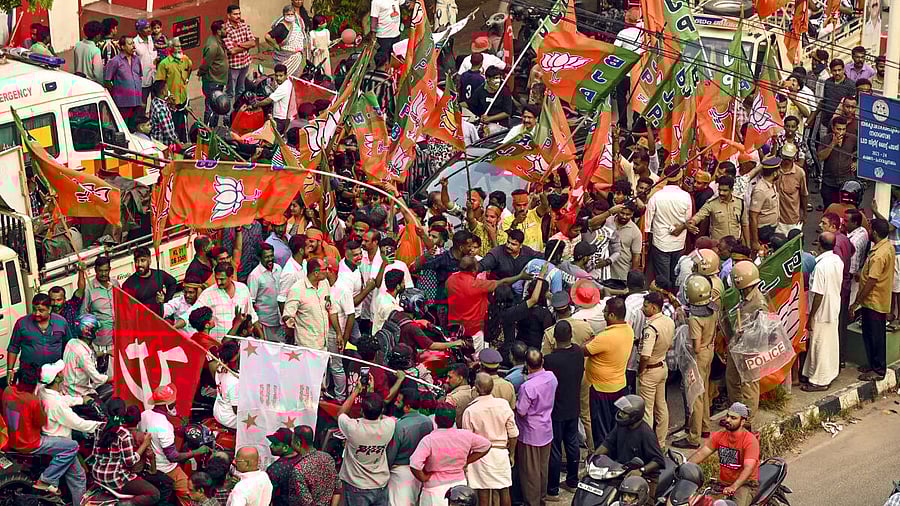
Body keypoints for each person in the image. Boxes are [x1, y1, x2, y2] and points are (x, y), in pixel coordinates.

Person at [2, 363, 82, 497]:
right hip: (30, 444)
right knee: (72, 446)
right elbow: (42, 423)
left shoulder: (7, 391)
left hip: (12, 440)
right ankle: (48, 479)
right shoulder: (32, 400)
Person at [37, 360, 101, 505]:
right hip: (62, 443)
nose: (62, 373)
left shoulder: (42, 390)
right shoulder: (56, 404)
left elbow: (61, 399)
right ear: (57, 378)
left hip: (49, 437)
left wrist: (80, 400)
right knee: (78, 478)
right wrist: (99, 425)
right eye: (60, 372)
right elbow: (77, 423)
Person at [140, 384, 211, 506]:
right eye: (173, 403)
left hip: (149, 464)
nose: (175, 405)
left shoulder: (144, 415)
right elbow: (173, 457)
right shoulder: (164, 426)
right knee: (190, 494)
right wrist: (197, 451)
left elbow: (155, 432)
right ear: (166, 405)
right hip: (167, 469)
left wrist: (178, 429)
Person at [410, 402, 491, 506]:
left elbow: (414, 464)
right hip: (460, 488)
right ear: (454, 419)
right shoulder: (465, 435)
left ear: (435, 419)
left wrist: (423, 477)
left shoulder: (429, 440)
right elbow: (486, 445)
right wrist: (467, 461)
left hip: (434, 490)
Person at [448, 256, 531, 350]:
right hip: (473, 331)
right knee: (475, 358)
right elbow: (503, 282)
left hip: (454, 327)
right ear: (475, 269)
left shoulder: (450, 280)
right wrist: (520, 276)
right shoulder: (478, 285)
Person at [673, 275, 717, 450]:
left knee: (695, 397)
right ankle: (705, 427)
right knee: (704, 391)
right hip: (710, 351)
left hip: (699, 356)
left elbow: (696, 347)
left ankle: (693, 437)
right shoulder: (713, 309)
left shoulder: (694, 319)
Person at [591, 395, 665, 497]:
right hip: (622, 470)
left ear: (634, 416)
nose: (620, 414)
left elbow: (658, 460)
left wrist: (641, 470)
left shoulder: (646, 433)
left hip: (645, 477)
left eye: (624, 413)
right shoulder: (621, 426)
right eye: (621, 411)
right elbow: (608, 443)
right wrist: (594, 457)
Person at [462, 373, 519, 506]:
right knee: (504, 489)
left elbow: (467, 440)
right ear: (492, 387)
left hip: (479, 456)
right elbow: (513, 434)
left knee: (483, 493)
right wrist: (511, 454)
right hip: (500, 453)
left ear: (475, 388)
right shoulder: (503, 405)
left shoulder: (470, 411)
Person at [337, 379, 396, 505]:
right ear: (381, 411)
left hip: (357, 486)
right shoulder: (389, 426)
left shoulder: (353, 428)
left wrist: (356, 391)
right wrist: (371, 394)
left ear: (361, 411)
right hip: (380, 484)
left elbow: (341, 414)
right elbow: (378, 415)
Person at [688, 403, 760, 506]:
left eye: (733, 418)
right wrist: (685, 466)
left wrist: (734, 487)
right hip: (723, 483)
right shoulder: (719, 435)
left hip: (745, 484)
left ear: (742, 421)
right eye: (727, 416)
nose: (728, 420)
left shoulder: (750, 441)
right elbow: (701, 454)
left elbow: (748, 468)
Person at [543, 322, 584, 499]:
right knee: (572, 443)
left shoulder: (550, 360)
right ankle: (573, 481)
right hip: (573, 406)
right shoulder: (578, 353)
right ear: (570, 336)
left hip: (556, 410)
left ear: (554, 339)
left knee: (555, 449)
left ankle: (552, 489)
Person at [92, 398, 160, 506]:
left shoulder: (99, 428)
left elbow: (95, 454)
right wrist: (145, 444)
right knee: (154, 494)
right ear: (123, 413)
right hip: (114, 478)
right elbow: (130, 462)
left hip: (97, 473)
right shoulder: (123, 434)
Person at [584, 296, 634, 443]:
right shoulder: (628, 330)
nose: (604, 314)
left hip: (602, 391)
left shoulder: (605, 337)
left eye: (605, 312)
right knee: (616, 425)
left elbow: (584, 350)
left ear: (612, 315)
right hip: (619, 385)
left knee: (601, 430)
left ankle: (603, 460)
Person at [851, 218, 895, 381]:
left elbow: (871, 281)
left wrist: (856, 302)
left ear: (875, 232)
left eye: (870, 229)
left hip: (873, 300)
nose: (867, 232)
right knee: (870, 334)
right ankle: (873, 364)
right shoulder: (886, 246)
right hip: (876, 299)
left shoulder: (879, 255)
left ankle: (878, 370)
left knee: (875, 335)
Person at [726, 261, 768, 428]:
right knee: (732, 380)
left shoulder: (759, 302)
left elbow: (763, 332)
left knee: (749, 385)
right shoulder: (744, 297)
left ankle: (747, 421)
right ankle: (736, 414)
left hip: (750, 349)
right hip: (737, 346)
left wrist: (747, 334)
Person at [515, 349, 557, 506]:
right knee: (542, 470)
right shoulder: (551, 377)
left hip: (530, 434)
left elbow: (521, 411)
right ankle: (542, 500)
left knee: (530, 474)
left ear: (527, 365)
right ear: (542, 362)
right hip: (546, 429)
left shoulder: (528, 387)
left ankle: (533, 503)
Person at [804, 232, 843, 391]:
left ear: (819, 245)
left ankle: (819, 381)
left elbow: (818, 293)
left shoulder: (821, 266)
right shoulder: (837, 260)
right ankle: (824, 373)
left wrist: (812, 316)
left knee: (819, 344)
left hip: (821, 311)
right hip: (833, 306)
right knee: (829, 343)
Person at [638, 292, 675, 449]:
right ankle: (660, 443)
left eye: (645, 306)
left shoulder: (651, 328)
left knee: (647, 411)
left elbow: (645, 355)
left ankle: (647, 446)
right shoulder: (668, 321)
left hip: (650, 370)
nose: (643, 308)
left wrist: (641, 370)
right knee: (661, 407)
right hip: (662, 365)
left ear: (653, 307)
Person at [645, 165, 693, 286]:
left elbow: (647, 224)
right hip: (679, 243)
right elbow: (688, 220)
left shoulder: (655, 197)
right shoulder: (686, 197)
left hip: (660, 243)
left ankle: (665, 298)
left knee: (663, 278)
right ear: (679, 178)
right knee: (676, 276)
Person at [387, 388, 434, 506]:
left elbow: (390, 455)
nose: (395, 403)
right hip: (420, 470)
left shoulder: (399, 426)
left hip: (400, 472)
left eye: (398, 402)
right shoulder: (428, 422)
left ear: (407, 407)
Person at [7, 293, 72, 377]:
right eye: (34, 309)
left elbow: (69, 345)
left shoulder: (61, 322)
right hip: (29, 374)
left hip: (55, 374)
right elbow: (13, 347)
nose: (36, 313)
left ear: (49, 309)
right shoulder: (21, 323)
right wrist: (10, 370)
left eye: (41, 310)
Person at [192, 262, 259, 338]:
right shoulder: (207, 294)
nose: (219, 282)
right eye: (217, 279)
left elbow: (251, 313)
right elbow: (192, 313)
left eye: (222, 279)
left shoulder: (243, 289)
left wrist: (262, 338)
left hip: (240, 343)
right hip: (218, 345)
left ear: (231, 277)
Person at [286, 425, 341, 506]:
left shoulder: (299, 470)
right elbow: (337, 488)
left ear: (298, 443)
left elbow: (307, 503)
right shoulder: (327, 458)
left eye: (292, 440)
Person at [61, 314, 109, 398]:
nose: (97, 332)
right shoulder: (82, 353)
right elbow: (97, 379)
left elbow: (90, 355)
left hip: (67, 390)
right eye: (96, 330)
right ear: (89, 331)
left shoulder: (72, 342)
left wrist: (106, 352)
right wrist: (116, 377)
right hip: (78, 394)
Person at [155, 37, 193, 142]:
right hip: (171, 104)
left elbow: (189, 70)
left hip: (183, 101)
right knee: (171, 130)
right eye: (177, 46)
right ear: (171, 48)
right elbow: (160, 84)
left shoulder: (186, 60)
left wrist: (185, 81)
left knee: (183, 130)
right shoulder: (164, 64)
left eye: (180, 46)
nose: (180, 48)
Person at [123, 246, 177, 316]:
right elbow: (128, 310)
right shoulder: (128, 285)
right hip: (145, 321)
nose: (139, 264)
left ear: (150, 261)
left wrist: (166, 300)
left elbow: (172, 283)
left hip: (163, 318)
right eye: (137, 261)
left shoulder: (159, 274)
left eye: (143, 260)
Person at [817, 116, 857, 210]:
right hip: (829, 183)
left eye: (843, 129)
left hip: (847, 183)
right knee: (830, 210)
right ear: (833, 128)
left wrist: (856, 162)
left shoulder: (852, 139)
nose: (841, 132)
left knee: (847, 211)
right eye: (838, 129)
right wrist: (832, 144)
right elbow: (821, 157)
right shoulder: (826, 139)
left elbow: (863, 151)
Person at [104, 35, 143, 130]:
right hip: (123, 102)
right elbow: (107, 80)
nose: (133, 46)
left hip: (136, 101)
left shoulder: (136, 60)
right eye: (130, 44)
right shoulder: (115, 61)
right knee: (123, 128)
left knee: (133, 127)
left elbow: (140, 76)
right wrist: (116, 93)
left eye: (133, 43)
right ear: (122, 47)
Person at [248, 243, 284, 342]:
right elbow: (251, 303)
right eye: (266, 257)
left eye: (271, 256)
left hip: (279, 320)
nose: (270, 259)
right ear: (260, 258)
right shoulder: (254, 276)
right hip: (265, 323)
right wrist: (256, 325)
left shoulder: (278, 269)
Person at [224, 4, 257, 103]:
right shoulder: (225, 30)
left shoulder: (244, 26)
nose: (238, 16)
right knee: (230, 92)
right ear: (229, 16)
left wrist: (238, 44)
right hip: (233, 65)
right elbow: (232, 51)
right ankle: (227, 117)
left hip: (245, 63)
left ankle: (237, 112)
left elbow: (253, 43)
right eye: (235, 14)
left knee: (241, 90)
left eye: (239, 14)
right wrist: (246, 46)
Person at [199, 20, 229, 128]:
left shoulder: (219, 41)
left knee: (217, 106)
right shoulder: (213, 46)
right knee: (211, 107)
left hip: (218, 80)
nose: (227, 31)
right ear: (218, 31)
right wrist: (200, 73)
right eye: (224, 29)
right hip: (212, 81)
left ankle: (214, 129)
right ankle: (208, 129)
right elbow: (205, 63)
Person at [468, 66, 515, 135]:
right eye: (494, 78)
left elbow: (507, 112)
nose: (497, 81)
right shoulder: (480, 90)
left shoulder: (505, 91)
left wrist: (490, 118)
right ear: (487, 79)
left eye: (498, 78)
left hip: (500, 125)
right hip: (483, 123)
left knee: (489, 130)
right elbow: (472, 104)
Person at [774, 145, 808, 237]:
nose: (786, 160)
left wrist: (804, 214)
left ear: (794, 157)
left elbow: (804, 195)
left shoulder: (800, 173)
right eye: (785, 157)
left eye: (789, 158)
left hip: (792, 220)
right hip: (775, 219)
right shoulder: (774, 169)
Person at [251, 64, 293, 133]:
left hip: (280, 119)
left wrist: (254, 105)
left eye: (281, 76)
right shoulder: (288, 83)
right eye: (276, 76)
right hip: (284, 117)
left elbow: (268, 100)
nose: (278, 78)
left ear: (286, 75)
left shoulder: (283, 87)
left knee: (270, 138)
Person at [149, 79, 181, 148]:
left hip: (157, 140)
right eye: (166, 88)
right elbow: (168, 132)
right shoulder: (161, 109)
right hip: (163, 144)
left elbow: (169, 113)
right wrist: (180, 144)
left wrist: (172, 105)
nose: (168, 90)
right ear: (163, 91)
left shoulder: (156, 101)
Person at [134, 19, 158, 103]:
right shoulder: (134, 43)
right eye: (146, 28)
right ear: (139, 30)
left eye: (149, 27)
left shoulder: (153, 39)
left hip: (155, 78)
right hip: (143, 81)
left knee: (156, 104)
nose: (149, 30)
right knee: (142, 105)